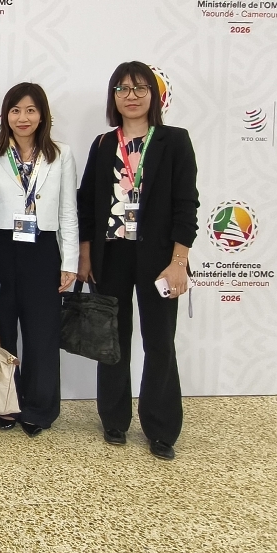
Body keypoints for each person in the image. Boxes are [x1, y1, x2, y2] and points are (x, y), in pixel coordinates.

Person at [77, 61, 198, 461]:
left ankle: (161, 428)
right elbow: (87, 205)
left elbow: (186, 206)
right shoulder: (102, 144)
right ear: (113, 97)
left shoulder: (173, 141)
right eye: (123, 89)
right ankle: (113, 419)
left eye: (140, 88)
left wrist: (179, 261)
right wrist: (85, 255)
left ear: (154, 96)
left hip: (159, 259)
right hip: (111, 255)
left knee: (159, 342)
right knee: (112, 340)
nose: (131, 96)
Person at [0, 82, 78, 437]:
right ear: (6, 116)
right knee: (2, 333)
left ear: (43, 115)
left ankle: (38, 408)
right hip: (1, 250)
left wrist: (69, 262)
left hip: (43, 250)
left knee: (41, 334)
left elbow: (68, 212)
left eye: (31, 110)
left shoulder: (61, 155)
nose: (23, 117)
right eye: (16, 110)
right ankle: (5, 403)